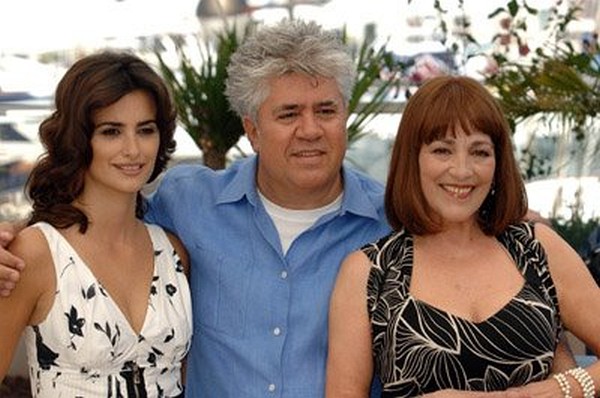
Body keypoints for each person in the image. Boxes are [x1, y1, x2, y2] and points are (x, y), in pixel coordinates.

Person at [0, 21, 581, 398]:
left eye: (326, 110)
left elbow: (473, 238)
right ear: (251, 127)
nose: (311, 131)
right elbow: (91, 227)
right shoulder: (182, 204)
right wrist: (13, 239)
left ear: (347, 116)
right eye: (288, 114)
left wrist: (511, 227)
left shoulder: (395, 220)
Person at [325, 75, 600, 398]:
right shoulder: (370, 272)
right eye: (442, 150)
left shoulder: (537, 248)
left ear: (498, 163)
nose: (462, 170)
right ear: (412, 159)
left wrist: (556, 389)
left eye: (479, 152)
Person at [0, 51, 192, 397]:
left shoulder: (173, 252)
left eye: (145, 130)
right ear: (78, 138)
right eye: (111, 131)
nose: (133, 149)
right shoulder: (35, 254)